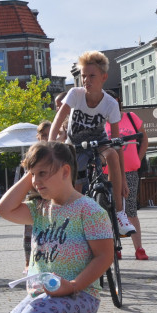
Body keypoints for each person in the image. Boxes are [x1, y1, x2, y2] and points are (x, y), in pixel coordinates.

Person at [0, 141, 114, 313]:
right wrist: (30, 175)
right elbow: (3, 209)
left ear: (65, 171)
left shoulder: (89, 210)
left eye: (43, 174)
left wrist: (73, 285)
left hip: (81, 295)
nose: (36, 182)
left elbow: (105, 256)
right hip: (42, 296)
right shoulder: (39, 208)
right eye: (32, 175)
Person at [50, 52, 136, 237]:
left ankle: (120, 214)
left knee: (112, 153)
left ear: (103, 77)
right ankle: (73, 226)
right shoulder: (75, 94)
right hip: (75, 145)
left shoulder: (111, 103)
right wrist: (50, 144)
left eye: (91, 76)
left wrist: (121, 179)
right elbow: (58, 119)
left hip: (99, 143)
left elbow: (116, 143)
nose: (86, 80)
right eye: (83, 76)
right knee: (76, 187)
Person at [109, 108, 148, 259]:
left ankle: (139, 248)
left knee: (130, 209)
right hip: (108, 172)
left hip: (130, 169)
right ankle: (114, 247)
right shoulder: (100, 120)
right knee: (110, 210)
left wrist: (138, 158)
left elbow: (144, 139)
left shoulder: (131, 117)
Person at [15, 121, 52, 272]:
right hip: (35, 197)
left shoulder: (58, 153)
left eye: (48, 134)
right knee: (30, 234)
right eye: (43, 135)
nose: (46, 138)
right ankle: (27, 262)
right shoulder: (34, 152)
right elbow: (28, 174)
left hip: (52, 197)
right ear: (38, 136)